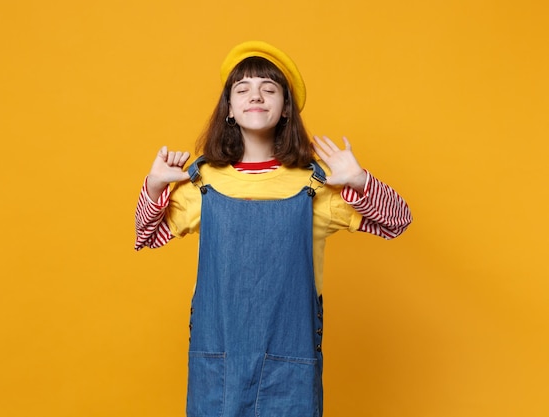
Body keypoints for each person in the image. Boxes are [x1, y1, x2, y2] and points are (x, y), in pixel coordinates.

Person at [135, 40, 412, 417]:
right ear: (229, 108)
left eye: (269, 89)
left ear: (285, 109)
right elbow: (145, 235)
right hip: (219, 364)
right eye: (243, 89)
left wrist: (360, 180)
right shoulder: (202, 184)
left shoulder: (314, 187)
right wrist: (154, 187)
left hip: (291, 368)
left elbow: (397, 222)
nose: (256, 97)